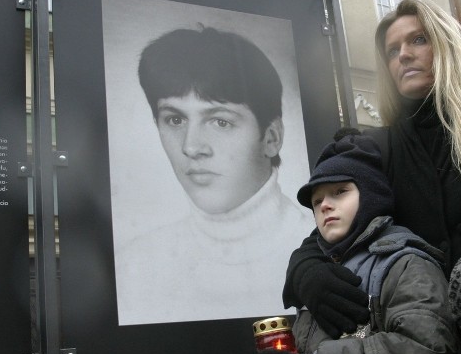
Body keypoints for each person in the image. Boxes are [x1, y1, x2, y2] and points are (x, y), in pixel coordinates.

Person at [280, 0, 461, 354]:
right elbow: (323, 232)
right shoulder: (377, 149)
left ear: (447, 45)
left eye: (418, 40)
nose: (403, 54)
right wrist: (307, 271)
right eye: (392, 49)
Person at [248, 133, 458, 354]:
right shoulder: (321, 277)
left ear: (371, 194)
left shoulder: (406, 264)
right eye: (317, 201)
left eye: (340, 192)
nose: (325, 205)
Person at [114, 26, 313, 325]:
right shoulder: (136, 266)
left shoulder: (321, 246)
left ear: (271, 137)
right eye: (175, 119)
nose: (191, 147)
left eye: (220, 121)